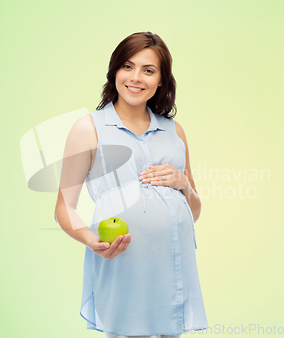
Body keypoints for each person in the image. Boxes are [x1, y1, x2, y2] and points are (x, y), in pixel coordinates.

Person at [54, 32, 208, 338]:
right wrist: (91, 240)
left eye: (148, 70)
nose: (136, 78)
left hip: (173, 263)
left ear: (162, 80)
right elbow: (64, 207)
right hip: (124, 261)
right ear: (115, 72)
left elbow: (194, 211)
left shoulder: (174, 131)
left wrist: (183, 185)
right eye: (127, 66)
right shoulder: (88, 128)